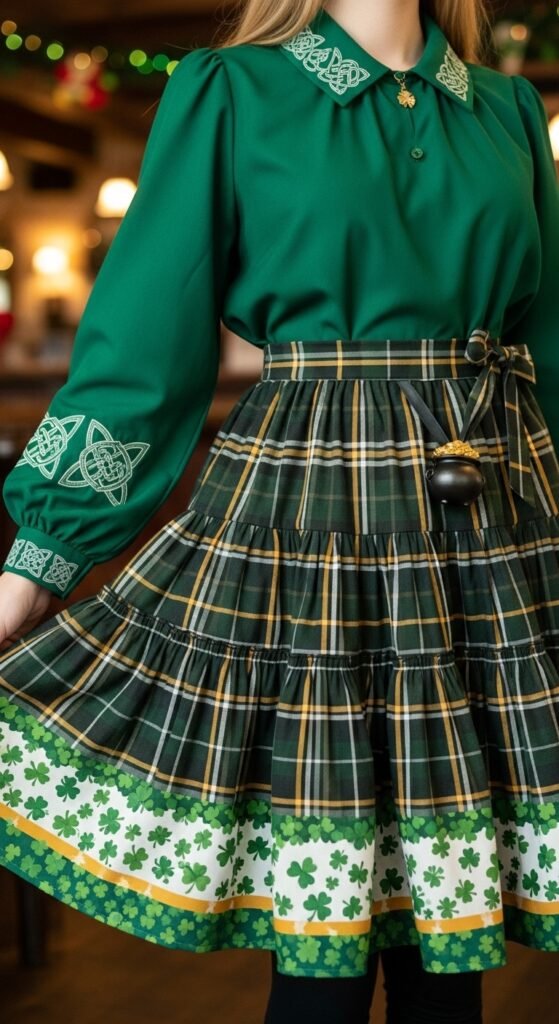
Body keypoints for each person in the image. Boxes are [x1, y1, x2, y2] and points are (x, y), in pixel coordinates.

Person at [0, 0, 558, 1020]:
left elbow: (551, 346)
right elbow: (145, 339)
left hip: (492, 527)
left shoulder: (508, 109)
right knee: (323, 962)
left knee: (454, 950)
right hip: (310, 517)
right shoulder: (232, 90)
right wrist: (42, 551)